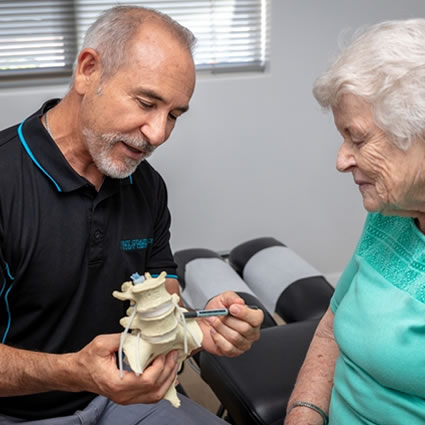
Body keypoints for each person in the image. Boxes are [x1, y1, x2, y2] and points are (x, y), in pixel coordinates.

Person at [0, 5, 263, 424]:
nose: (158, 133)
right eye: (146, 102)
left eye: (174, 115)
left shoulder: (147, 185)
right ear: (88, 71)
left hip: (131, 398)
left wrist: (198, 329)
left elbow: (165, 295)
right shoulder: (6, 181)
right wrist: (74, 372)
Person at [284, 18, 425, 425]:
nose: (341, 159)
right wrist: (303, 414)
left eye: (358, 138)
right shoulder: (391, 215)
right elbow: (332, 326)